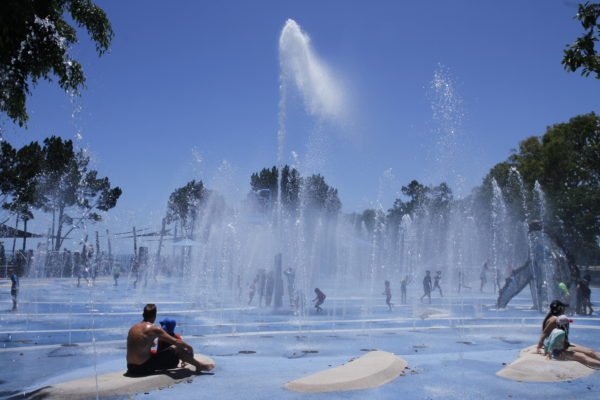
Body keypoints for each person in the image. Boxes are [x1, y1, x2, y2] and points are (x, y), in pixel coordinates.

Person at [126, 304, 214, 375]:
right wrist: (189, 347)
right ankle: (199, 366)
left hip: (130, 367)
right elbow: (176, 342)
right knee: (176, 348)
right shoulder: (154, 329)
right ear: (154, 315)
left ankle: (198, 365)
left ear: (143, 314)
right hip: (142, 368)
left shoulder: (133, 328)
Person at [536, 300, 600, 368]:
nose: (565, 310)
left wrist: (540, 345)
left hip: (562, 346)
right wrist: (540, 346)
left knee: (590, 352)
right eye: (564, 308)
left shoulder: (552, 318)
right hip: (558, 351)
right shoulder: (554, 319)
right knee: (584, 357)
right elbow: (545, 333)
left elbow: (546, 333)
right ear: (560, 308)